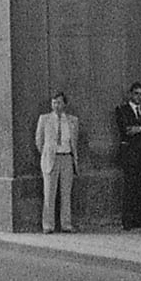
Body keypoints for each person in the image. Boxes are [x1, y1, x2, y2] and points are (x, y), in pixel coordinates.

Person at [34, 92, 81, 233]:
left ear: (65, 104)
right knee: (49, 192)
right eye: (54, 102)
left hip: (66, 157)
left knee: (66, 193)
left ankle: (66, 224)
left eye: (59, 102)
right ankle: (48, 225)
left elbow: (75, 140)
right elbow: (39, 140)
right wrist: (46, 152)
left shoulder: (73, 120)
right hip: (51, 157)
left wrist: (73, 157)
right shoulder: (44, 119)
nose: (56, 105)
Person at [113, 83, 141, 230]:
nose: (139, 97)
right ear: (131, 94)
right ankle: (127, 220)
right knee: (130, 188)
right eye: (136, 93)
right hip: (130, 155)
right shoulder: (122, 110)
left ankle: (139, 218)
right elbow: (126, 128)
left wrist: (140, 128)